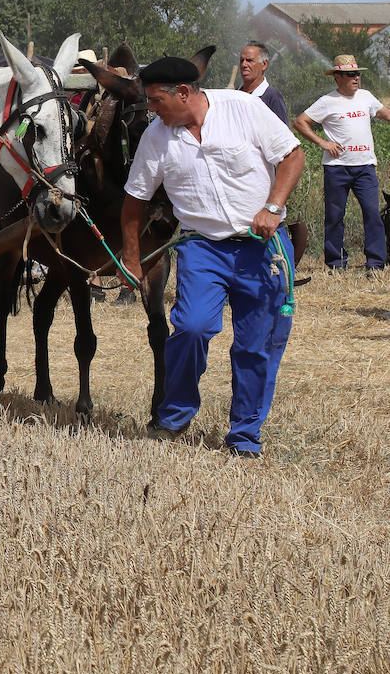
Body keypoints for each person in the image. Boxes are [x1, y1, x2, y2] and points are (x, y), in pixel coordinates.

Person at [120, 55, 304, 458]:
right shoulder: (156, 137)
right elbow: (135, 200)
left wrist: (272, 207)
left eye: (155, 101)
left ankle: (244, 436)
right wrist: (131, 258)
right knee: (191, 326)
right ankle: (174, 416)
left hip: (262, 249)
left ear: (183, 93)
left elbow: (292, 156)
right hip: (202, 248)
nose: (151, 109)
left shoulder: (243, 109)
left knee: (256, 346)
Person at [292, 55, 389, 271]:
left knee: (372, 213)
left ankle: (375, 263)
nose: (356, 78)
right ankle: (336, 263)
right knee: (335, 217)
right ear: (337, 77)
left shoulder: (366, 97)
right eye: (350, 74)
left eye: (357, 73)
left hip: (365, 167)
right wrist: (323, 143)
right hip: (337, 168)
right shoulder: (327, 101)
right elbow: (300, 122)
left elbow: (384, 113)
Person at [238, 41, 288, 124]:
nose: (244, 64)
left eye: (249, 60)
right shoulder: (235, 94)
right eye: (241, 60)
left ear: (264, 64)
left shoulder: (272, 97)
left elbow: (283, 134)